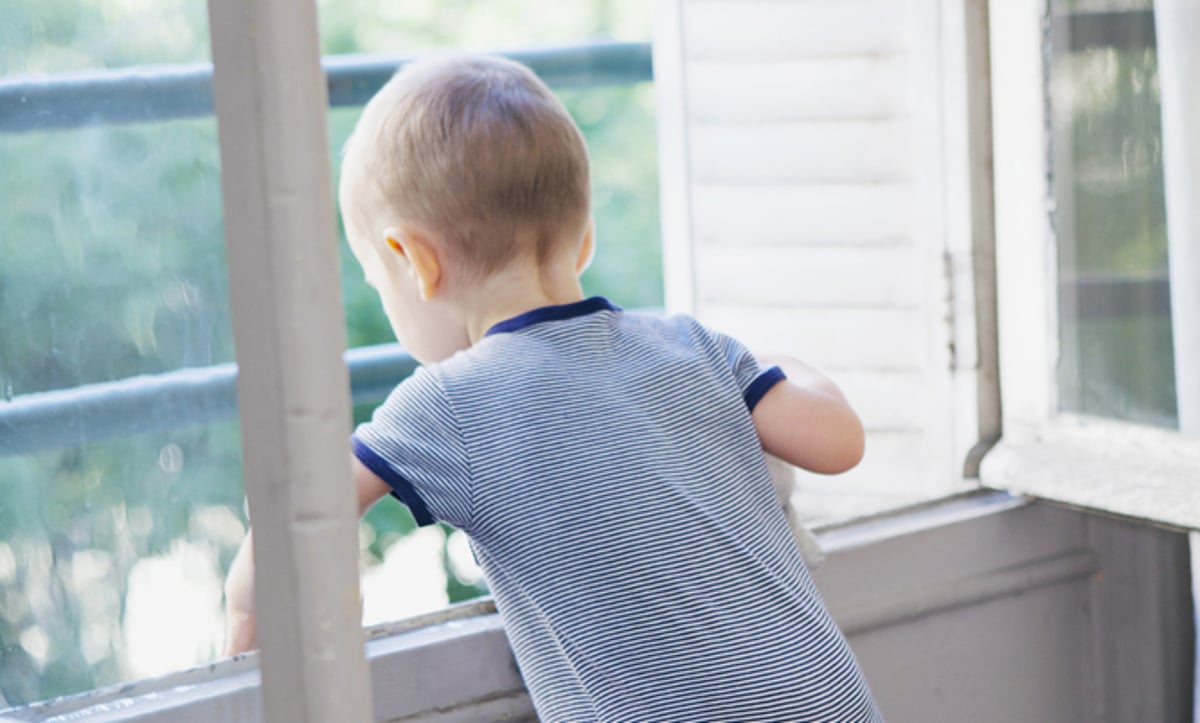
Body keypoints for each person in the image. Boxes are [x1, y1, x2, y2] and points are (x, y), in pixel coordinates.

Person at [224, 53, 883, 721]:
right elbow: (838, 441)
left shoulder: (447, 403)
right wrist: (765, 363)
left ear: (412, 261)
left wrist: (243, 611)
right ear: (586, 238)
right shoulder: (690, 347)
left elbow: (301, 519)